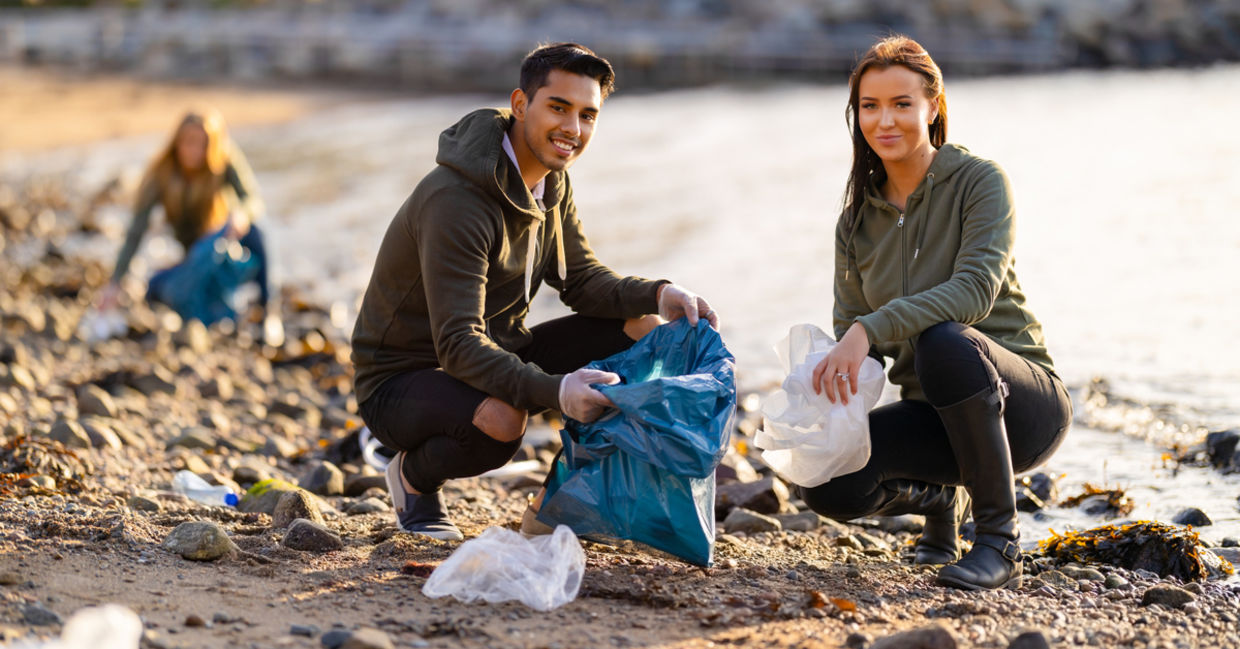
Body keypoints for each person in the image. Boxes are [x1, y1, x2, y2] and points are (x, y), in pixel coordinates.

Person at [351, 42, 717, 541]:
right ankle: (414, 479)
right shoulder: (456, 201)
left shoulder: (552, 183)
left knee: (642, 329)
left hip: (491, 352)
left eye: (588, 115)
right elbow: (456, 343)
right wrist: (557, 391)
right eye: (559, 108)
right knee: (504, 421)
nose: (573, 128)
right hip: (403, 380)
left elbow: (582, 282)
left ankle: (567, 502)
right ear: (521, 105)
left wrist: (660, 293)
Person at [801, 36, 1071, 590]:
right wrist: (817, 386)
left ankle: (998, 541)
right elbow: (854, 332)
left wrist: (867, 328)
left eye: (902, 103)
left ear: (933, 106)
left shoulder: (979, 182)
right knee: (824, 481)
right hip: (935, 420)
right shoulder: (855, 223)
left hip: (1019, 408)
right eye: (870, 106)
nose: (885, 120)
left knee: (944, 341)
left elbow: (974, 292)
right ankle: (942, 495)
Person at [98, 109, 272, 327]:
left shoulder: (224, 159)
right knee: (155, 289)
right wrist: (115, 282)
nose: (195, 151)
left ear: (213, 145)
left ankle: (268, 310)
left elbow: (252, 199)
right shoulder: (161, 173)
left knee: (257, 233)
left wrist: (241, 215)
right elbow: (136, 231)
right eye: (189, 143)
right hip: (193, 254)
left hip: (224, 240)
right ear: (177, 142)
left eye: (203, 144)